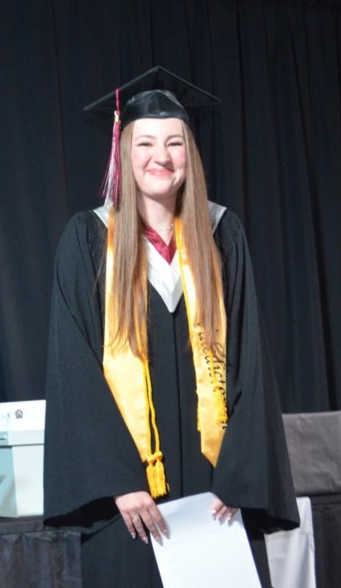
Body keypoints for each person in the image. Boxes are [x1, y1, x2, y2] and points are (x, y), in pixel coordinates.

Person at [42, 67, 299, 587]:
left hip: (216, 499)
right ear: (123, 150)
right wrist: (118, 481)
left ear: (191, 155)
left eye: (175, 142)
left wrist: (240, 479)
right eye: (146, 142)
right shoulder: (89, 241)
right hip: (132, 507)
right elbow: (75, 368)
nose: (161, 156)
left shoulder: (223, 235)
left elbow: (250, 358)